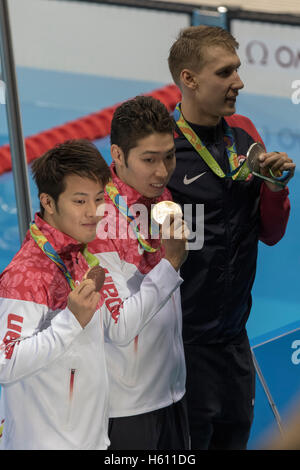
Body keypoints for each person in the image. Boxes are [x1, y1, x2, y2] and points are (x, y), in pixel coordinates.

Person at [0, 139, 186, 450]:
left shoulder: (80, 254)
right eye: (79, 201)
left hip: (92, 440)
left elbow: (118, 327)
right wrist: (71, 321)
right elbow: (5, 363)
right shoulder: (28, 274)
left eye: (99, 199)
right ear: (48, 201)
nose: (94, 213)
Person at [167, 25, 296, 450]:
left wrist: (275, 187)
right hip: (180, 346)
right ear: (189, 79)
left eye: (237, 70)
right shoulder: (162, 153)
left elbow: (271, 234)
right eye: (225, 73)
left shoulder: (243, 134)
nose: (238, 82)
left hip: (234, 343)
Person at [91, 95, 189, 450]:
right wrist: (172, 263)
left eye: (169, 156)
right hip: (126, 409)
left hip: (172, 393)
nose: (162, 171)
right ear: (117, 155)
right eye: (149, 160)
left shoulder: (162, 198)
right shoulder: (98, 219)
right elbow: (117, 327)